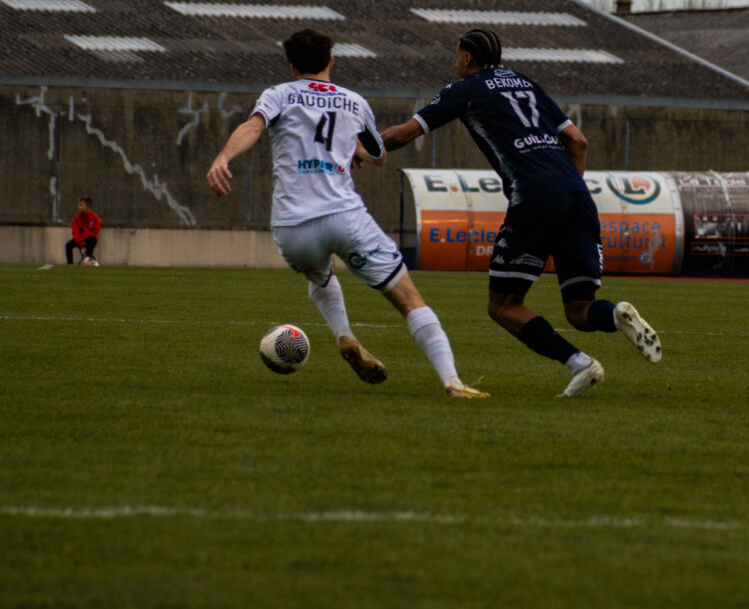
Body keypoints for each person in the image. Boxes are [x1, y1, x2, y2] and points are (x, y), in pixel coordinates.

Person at [206, 28, 487, 399]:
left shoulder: (279, 94)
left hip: (293, 226)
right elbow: (379, 155)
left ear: (292, 66)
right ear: (331, 60)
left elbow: (253, 126)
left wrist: (223, 157)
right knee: (410, 300)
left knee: (320, 274)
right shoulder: (354, 102)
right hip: (344, 217)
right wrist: (355, 150)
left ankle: (344, 335)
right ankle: (452, 382)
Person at [381, 28, 662, 398]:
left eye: (457, 55)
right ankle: (615, 315)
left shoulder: (464, 89)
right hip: (577, 195)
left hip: (535, 196)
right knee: (580, 309)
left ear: (467, 57)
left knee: (503, 306)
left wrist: (357, 147)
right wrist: (567, 190)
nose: (456, 61)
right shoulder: (526, 83)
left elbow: (402, 135)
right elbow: (578, 141)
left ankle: (580, 363)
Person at [65, 196, 102, 264]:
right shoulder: (76, 218)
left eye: (81, 205)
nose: (79, 207)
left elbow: (95, 232)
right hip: (79, 239)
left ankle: (88, 258)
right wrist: (80, 242)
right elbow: (75, 232)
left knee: (93, 239)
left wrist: (84, 238)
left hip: (88, 239)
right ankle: (70, 263)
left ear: (88, 206)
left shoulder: (95, 219)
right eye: (79, 205)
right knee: (68, 245)